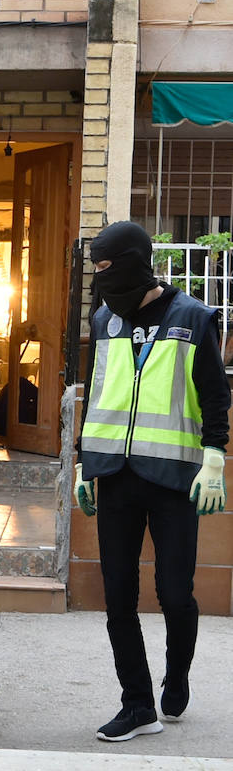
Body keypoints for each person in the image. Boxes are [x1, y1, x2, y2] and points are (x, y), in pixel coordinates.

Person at [75, 221, 229, 742]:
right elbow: (97, 394)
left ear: (139, 264)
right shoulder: (105, 321)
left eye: (109, 270)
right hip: (115, 475)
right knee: (117, 594)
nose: (103, 284)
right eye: (95, 273)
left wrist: (215, 460)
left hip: (173, 479)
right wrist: (83, 462)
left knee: (174, 593)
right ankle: (137, 704)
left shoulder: (192, 318)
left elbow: (213, 394)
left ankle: (178, 672)